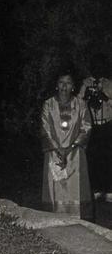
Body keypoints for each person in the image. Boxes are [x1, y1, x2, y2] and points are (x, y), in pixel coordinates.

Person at [41, 70, 93, 218]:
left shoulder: (81, 105)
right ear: (56, 85)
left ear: (73, 86)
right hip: (53, 154)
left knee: (76, 188)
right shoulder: (48, 105)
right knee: (55, 189)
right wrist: (58, 151)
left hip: (75, 155)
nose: (64, 86)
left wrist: (70, 148)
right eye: (61, 82)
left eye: (68, 82)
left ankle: (78, 221)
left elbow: (86, 127)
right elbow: (45, 130)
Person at [78, 54, 112, 202]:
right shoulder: (87, 83)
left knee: (108, 157)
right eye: (94, 65)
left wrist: (104, 95)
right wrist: (85, 92)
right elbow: (78, 103)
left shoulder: (109, 83)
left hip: (108, 124)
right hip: (94, 125)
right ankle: (97, 189)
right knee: (94, 158)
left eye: (100, 65)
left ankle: (109, 190)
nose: (97, 69)